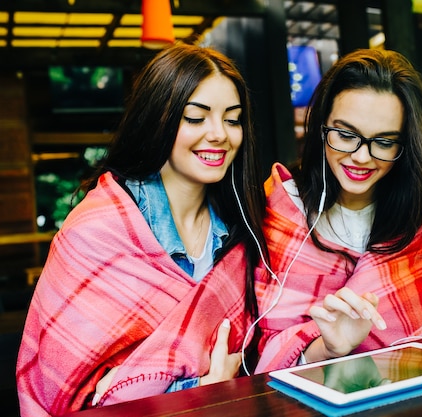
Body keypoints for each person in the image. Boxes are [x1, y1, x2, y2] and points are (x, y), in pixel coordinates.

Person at [16, 43, 268, 416]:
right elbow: (61, 389)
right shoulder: (97, 230)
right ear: (157, 119)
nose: (219, 134)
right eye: (195, 118)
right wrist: (200, 389)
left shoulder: (238, 229)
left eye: (232, 119)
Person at [253, 49, 422, 373]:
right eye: (346, 135)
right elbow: (265, 347)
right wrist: (327, 347)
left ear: (406, 145)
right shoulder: (284, 211)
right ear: (321, 127)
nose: (361, 157)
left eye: (383, 142)